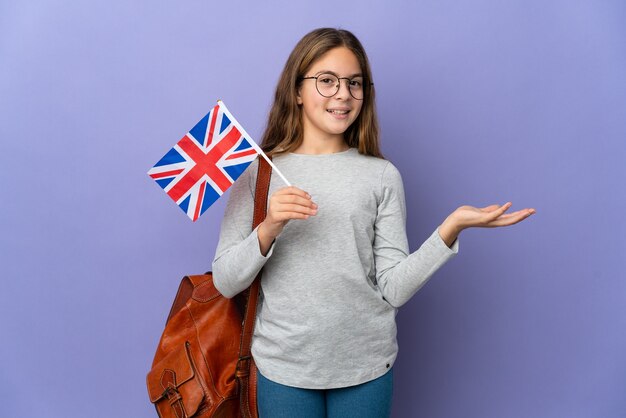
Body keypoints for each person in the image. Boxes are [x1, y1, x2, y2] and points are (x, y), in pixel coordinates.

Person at [212, 27, 535, 418]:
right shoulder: (258, 173)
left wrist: (450, 229)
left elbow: (394, 289)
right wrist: (268, 228)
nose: (343, 95)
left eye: (354, 83)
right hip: (282, 369)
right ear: (297, 91)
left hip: (366, 367)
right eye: (326, 81)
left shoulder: (381, 176)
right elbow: (226, 281)